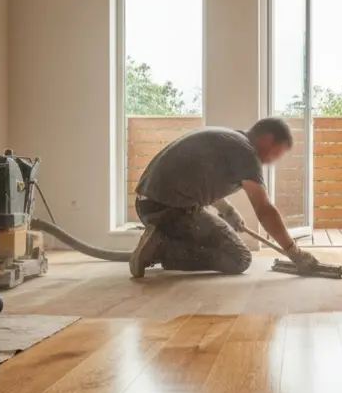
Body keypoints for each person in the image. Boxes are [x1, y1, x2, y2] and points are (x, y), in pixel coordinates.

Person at [130, 117, 321, 278]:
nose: (273, 161)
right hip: (168, 209)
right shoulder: (247, 153)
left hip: (149, 204)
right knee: (239, 258)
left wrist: (227, 210)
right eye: (277, 153)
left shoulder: (231, 140)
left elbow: (196, 181)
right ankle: (160, 248)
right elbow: (264, 210)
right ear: (268, 139)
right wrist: (293, 251)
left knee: (214, 243)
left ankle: (158, 242)